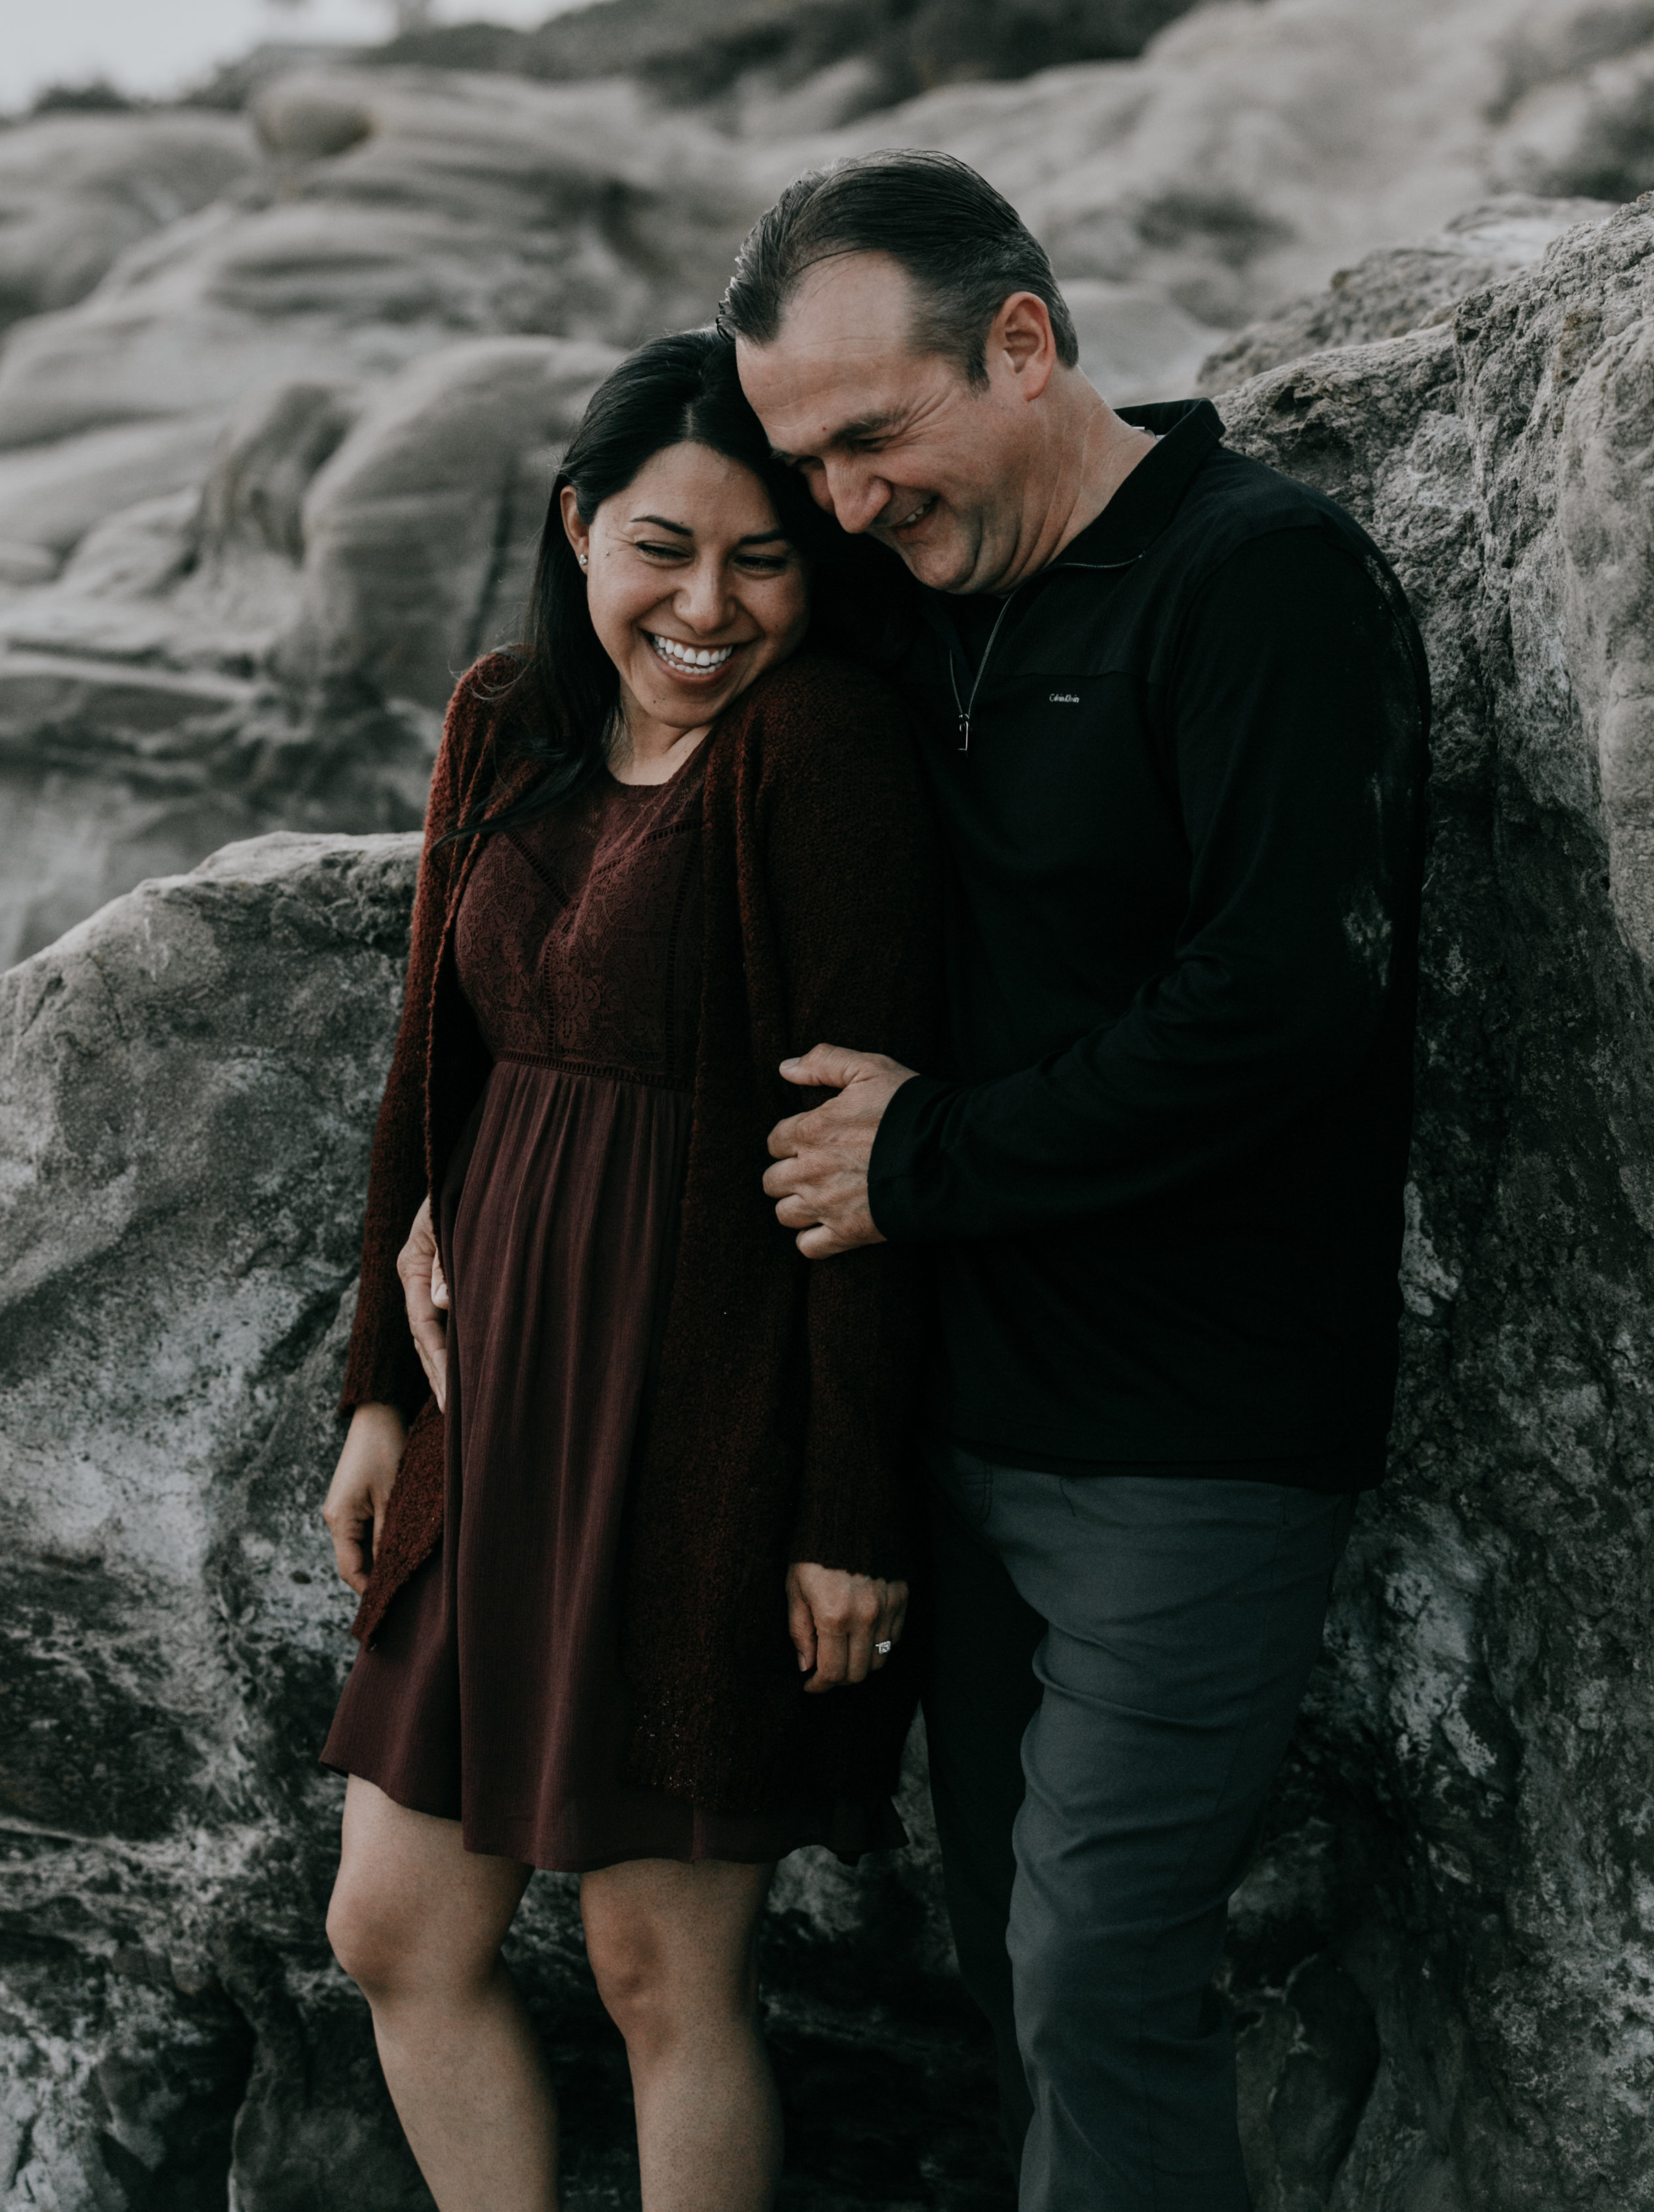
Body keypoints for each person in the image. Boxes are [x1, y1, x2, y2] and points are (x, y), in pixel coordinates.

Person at [727, 151, 1430, 2212]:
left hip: (1192, 1436)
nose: (844, 501)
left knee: (1097, 1970)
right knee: (1003, 1974)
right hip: (951, 1418)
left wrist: (924, 1154)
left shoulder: (1258, 576)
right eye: (805, 460)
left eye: (874, 435)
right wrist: (450, 1177)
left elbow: (1283, 999)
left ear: (1022, 343)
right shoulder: (893, 598)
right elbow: (625, 681)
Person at [317, 329, 939, 2212]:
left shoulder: (819, 746)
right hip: (493, 1406)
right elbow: (431, 1065)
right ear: (580, 524)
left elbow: (863, 1157)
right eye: (663, 547)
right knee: (394, 1929)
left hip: (707, 1427)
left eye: (763, 560)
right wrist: (378, 1392)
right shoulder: (506, 712)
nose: (706, 604)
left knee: (661, 1970)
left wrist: (848, 1511)